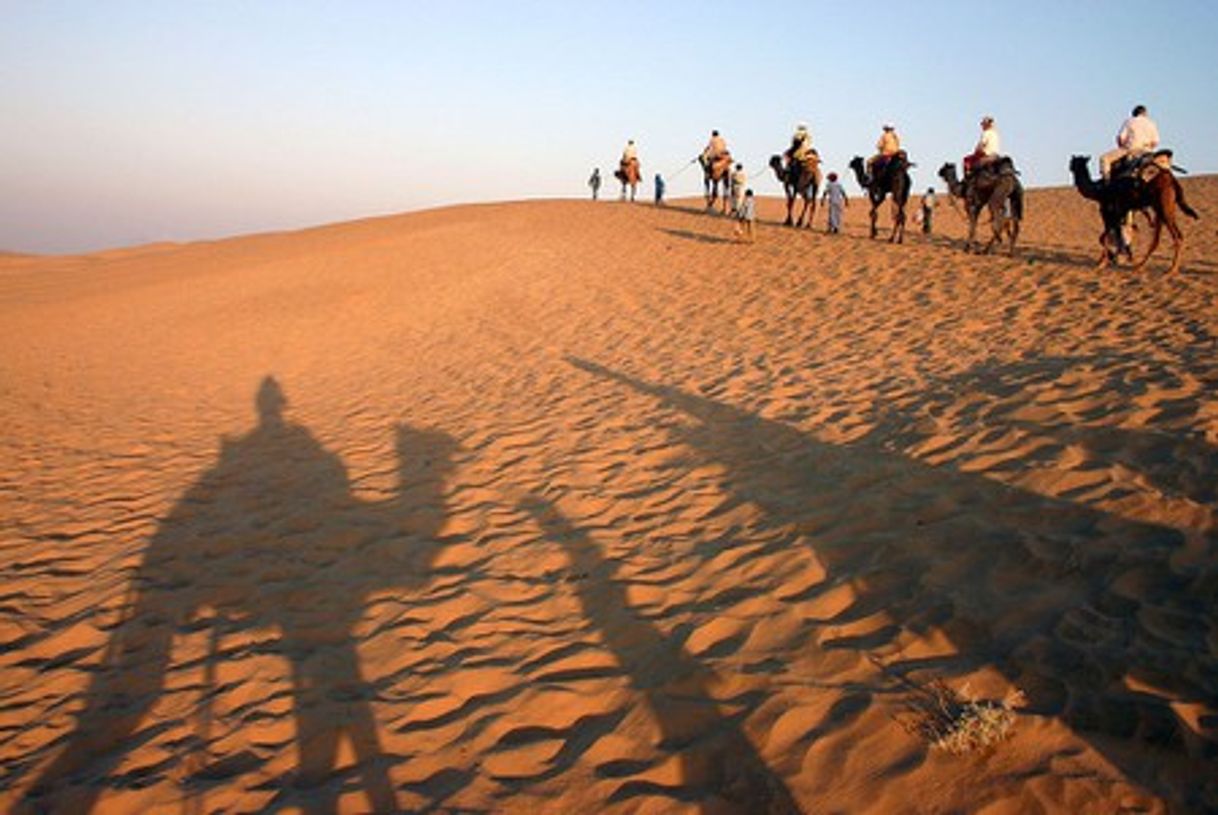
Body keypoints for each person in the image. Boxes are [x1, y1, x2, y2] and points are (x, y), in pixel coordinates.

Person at [1100, 104, 1161, 180]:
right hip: (1148, 152)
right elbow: (1155, 142)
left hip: (1131, 150)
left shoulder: (1129, 121)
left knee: (1104, 158)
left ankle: (1106, 181)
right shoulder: (1151, 123)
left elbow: (1120, 138)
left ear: (1134, 113)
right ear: (1145, 113)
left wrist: (1123, 147)